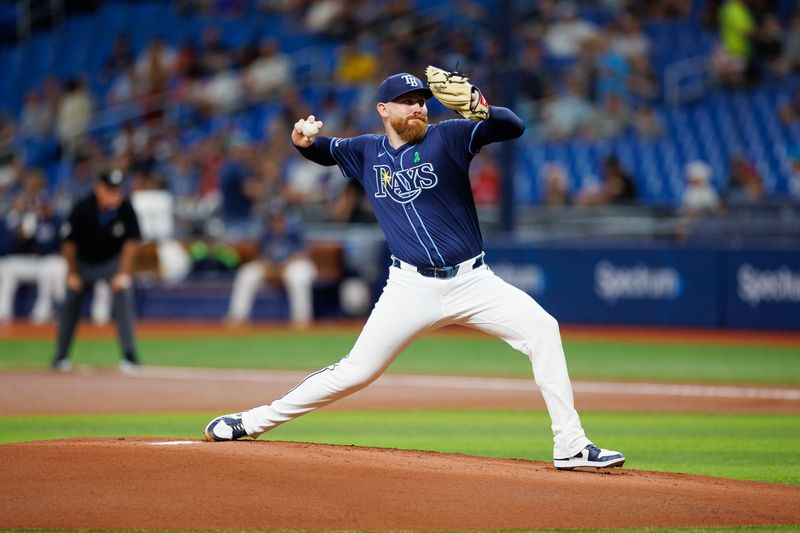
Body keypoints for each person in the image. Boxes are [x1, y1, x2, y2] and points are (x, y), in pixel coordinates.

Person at [204, 70, 625, 470]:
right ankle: (251, 422)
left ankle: (570, 446)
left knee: (543, 329)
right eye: (406, 102)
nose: (418, 108)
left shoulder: (450, 135)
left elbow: (512, 127)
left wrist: (480, 105)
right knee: (356, 372)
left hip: (473, 281)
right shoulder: (365, 150)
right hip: (410, 286)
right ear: (383, 109)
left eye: (422, 101)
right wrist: (302, 142)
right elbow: (324, 150)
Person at [51, 169, 142, 373]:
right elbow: (69, 245)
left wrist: (124, 274)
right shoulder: (82, 208)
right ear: (98, 188)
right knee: (71, 298)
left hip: (111, 263)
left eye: (118, 190)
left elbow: (131, 243)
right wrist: (72, 274)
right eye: (110, 190)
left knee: (123, 292)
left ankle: (130, 355)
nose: (115, 195)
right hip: (83, 264)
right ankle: (60, 356)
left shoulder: (125, 208)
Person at [225, 202, 317, 327]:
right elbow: (261, 256)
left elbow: (302, 254)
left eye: (279, 218)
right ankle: (237, 317)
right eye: (273, 218)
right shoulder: (266, 233)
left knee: (297, 277)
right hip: (274, 268)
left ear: (285, 217)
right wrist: (267, 266)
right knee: (247, 273)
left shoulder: (295, 230)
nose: (276, 221)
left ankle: (301, 320)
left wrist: (283, 266)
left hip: (296, 265)